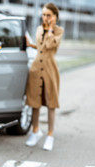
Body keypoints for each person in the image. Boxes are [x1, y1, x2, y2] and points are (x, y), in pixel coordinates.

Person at [25, 2, 64, 151]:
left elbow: (49, 45)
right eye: (43, 14)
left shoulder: (59, 31)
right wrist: (31, 45)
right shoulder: (39, 28)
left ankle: (50, 135)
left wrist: (51, 29)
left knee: (51, 103)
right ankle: (35, 131)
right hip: (36, 69)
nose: (45, 17)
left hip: (50, 70)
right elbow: (41, 46)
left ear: (55, 17)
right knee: (34, 102)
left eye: (48, 15)